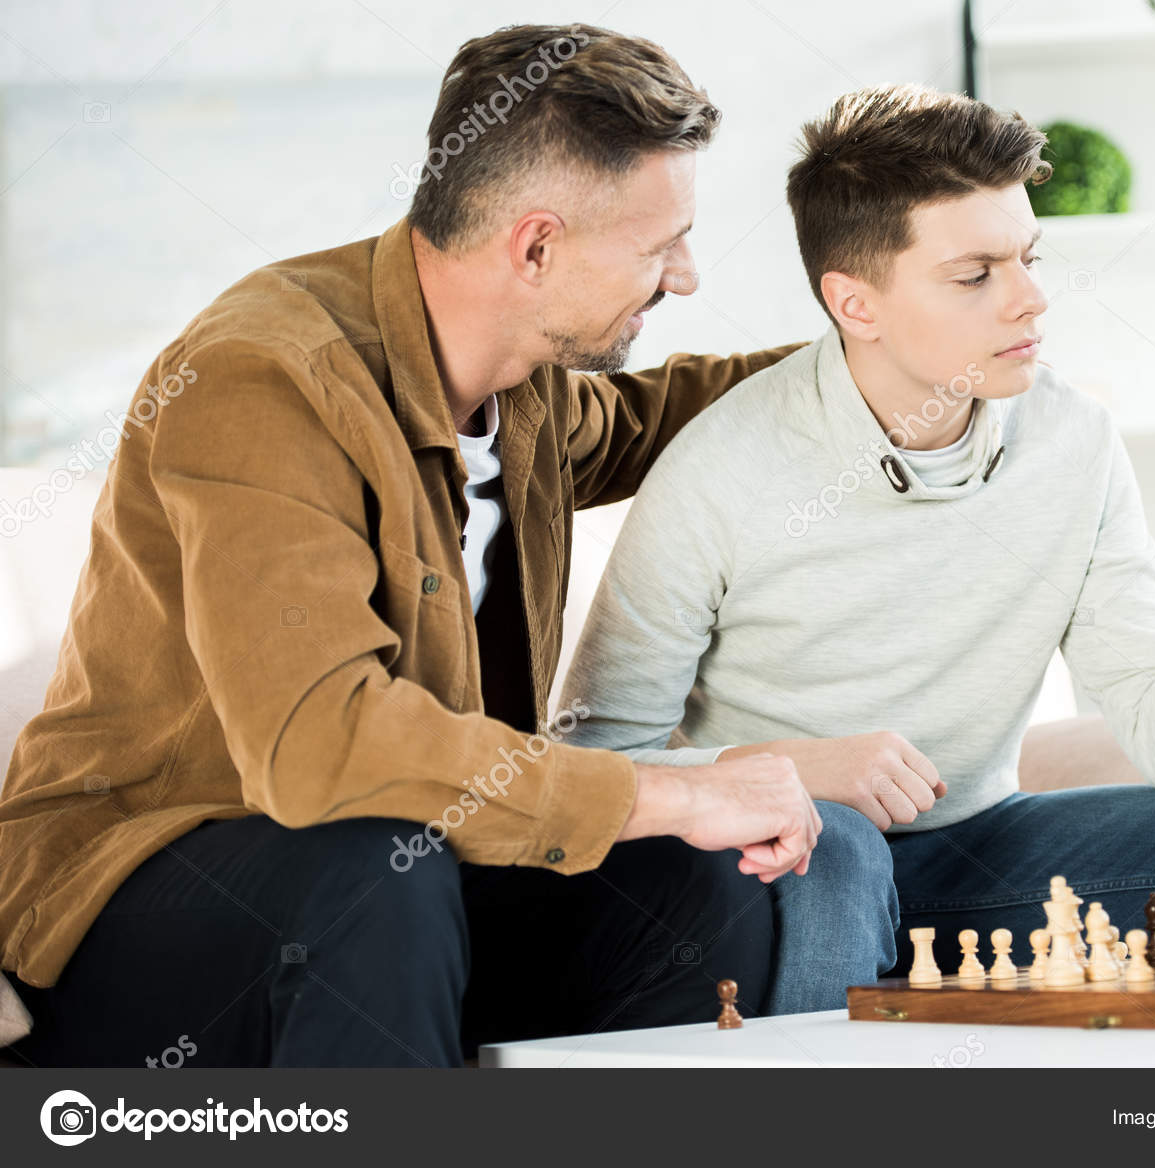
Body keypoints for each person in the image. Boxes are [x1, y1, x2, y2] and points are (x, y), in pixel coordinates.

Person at [0, 24, 821, 1068]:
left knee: (691, 886)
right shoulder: (263, 376)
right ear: (535, 246)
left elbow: (672, 416)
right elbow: (321, 747)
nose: (687, 275)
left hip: (406, 884)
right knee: (379, 865)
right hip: (136, 895)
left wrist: (885, 341)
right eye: (662, 245)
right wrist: (677, 791)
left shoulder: (526, 389)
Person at [558, 83, 1155, 1013]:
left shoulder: (1075, 441)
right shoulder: (719, 468)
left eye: (1028, 257)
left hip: (978, 853)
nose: (1031, 299)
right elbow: (597, 765)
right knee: (840, 843)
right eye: (975, 275)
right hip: (779, 862)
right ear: (855, 303)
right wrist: (795, 769)